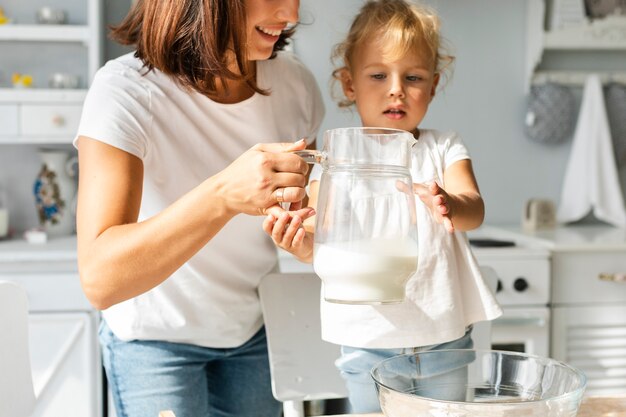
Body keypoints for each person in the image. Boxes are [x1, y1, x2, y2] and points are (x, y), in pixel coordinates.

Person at [73, 1, 324, 416]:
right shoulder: (125, 90)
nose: (292, 14)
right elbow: (101, 279)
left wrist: (309, 236)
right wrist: (223, 195)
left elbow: (309, 217)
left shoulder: (295, 85)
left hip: (253, 334)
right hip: (153, 344)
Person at [263, 0, 502, 413]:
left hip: (444, 338)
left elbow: (474, 210)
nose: (396, 88)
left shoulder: (443, 148)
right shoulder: (336, 158)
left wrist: (450, 203)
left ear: (433, 84)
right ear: (349, 84)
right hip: (367, 343)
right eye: (378, 75)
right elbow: (318, 244)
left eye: (413, 77)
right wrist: (296, 243)